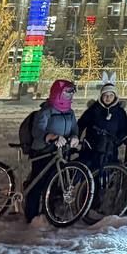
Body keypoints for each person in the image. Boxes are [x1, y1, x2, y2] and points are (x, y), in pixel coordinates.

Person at [23, 79, 80, 220]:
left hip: (61, 152)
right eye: (66, 93)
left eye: (71, 94)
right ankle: (31, 215)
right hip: (44, 152)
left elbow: (74, 129)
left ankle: (48, 213)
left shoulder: (70, 113)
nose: (69, 96)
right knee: (38, 183)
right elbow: (37, 130)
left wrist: (74, 137)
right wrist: (51, 136)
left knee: (55, 183)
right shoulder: (46, 110)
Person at [78, 82, 127, 172]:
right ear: (101, 96)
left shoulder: (120, 112)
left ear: (115, 97)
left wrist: (117, 141)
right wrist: (77, 138)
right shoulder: (93, 109)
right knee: (91, 172)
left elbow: (124, 129)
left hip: (111, 148)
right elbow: (81, 124)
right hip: (92, 149)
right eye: (105, 95)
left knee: (109, 172)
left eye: (111, 95)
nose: (108, 98)